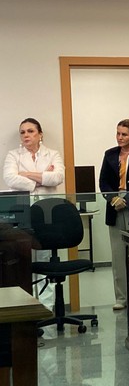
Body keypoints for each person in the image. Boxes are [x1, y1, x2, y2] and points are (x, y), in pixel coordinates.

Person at [3, 117, 65, 308]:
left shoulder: (52, 154)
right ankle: (25, 306)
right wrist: (41, 178)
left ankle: (46, 307)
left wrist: (25, 174)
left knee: (45, 257)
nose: (26, 135)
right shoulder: (13, 155)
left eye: (30, 131)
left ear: (40, 134)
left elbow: (58, 177)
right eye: (22, 132)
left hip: (47, 212)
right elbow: (9, 178)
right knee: (21, 258)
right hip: (23, 211)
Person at [99, 119, 129, 310]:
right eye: (118, 133)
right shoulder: (110, 154)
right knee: (118, 255)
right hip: (115, 206)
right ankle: (121, 298)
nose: (120, 137)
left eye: (124, 134)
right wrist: (112, 198)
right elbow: (103, 182)